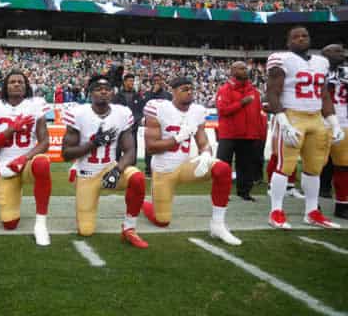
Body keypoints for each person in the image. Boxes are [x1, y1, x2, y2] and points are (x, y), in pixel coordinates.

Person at [142, 77, 242, 246]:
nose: (189, 92)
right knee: (162, 221)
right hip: (164, 169)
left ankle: (217, 224)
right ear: (172, 91)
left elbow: (203, 143)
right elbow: (151, 147)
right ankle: (142, 204)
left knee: (222, 169)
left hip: (185, 166)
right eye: (184, 89)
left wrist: (206, 155)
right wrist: (177, 138)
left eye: (191, 89)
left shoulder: (197, 111)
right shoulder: (158, 108)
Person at [266, 26, 343, 229]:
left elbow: (325, 95)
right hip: (293, 115)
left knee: (314, 168)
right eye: (295, 36)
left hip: (317, 118)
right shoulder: (281, 59)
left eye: (304, 36)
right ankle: (276, 211)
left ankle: (311, 212)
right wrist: (283, 122)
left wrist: (334, 123)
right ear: (288, 42)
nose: (301, 39)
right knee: (285, 166)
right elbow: (272, 93)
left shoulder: (321, 62)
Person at [62, 75, 148, 249]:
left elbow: (130, 150)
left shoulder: (122, 113)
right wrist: (93, 143)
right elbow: (66, 154)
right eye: (98, 89)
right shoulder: (79, 113)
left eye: (107, 89)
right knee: (85, 231)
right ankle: (145, 206)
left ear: (112, 93)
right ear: (90, 93)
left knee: (137, 178)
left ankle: (129, 228)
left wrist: (117, 170)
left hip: (110, 168)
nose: (103, 92)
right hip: (86, 173)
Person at [0, 70, 52, 246]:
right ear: (5, 86)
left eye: (20, 82)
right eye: (12, 81)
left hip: (28, 163)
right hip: (6, 168)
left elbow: (45, 143)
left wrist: (25, 158)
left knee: (43, 163)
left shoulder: (36, 105)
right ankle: (15, 193)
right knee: (9, 224)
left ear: (26, 86)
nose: (16, 84)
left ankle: (41, 224)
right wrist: (11, 129)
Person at [215, 61, 266, 201]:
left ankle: (244, 192)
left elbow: (257, 113)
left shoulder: (254, 91)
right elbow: (223, 110)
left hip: (248, 135)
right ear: (232, 71)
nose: (245, 70)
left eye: (245, 68)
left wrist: (259, 133)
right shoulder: (225, 89)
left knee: (246, 165)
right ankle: (221, 193)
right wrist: (241, 103)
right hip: (228, 134)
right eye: (241, 68)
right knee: (223, 165)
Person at [321, 44, 348, 219]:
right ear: (325, 54)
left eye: (342, 50)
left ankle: (342, 204)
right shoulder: (316, 70)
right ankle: (312, 204)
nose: (342, 53)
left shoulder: (346, 71)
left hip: (343, 122)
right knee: (313, 166)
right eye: (336, 51)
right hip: (319, 122)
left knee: (344, 166)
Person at [143, 74, 172, 176]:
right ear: (151, 82)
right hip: (151, 125)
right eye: (154, 80)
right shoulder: (147, 94)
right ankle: (148, 170)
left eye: (158, 80)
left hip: (164, 126)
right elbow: (144, 105)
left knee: (164, 147)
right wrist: (153, 92)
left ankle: (164, 168)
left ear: (162, 81)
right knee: (150, 148)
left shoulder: (168, 95)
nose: (156, 82)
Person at [113, 73, 143, 165]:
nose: (132, 83)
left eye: (133, 81)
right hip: (120, 127)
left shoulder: (137, 96)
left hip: (133, 128)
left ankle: (132, 168)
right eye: (130, 81)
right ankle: (115, 166)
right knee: (117, 147)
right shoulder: (117, 96)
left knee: (133, 147)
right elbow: (114, 111)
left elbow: (140, 111)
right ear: (124, 82)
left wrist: (136, 121)